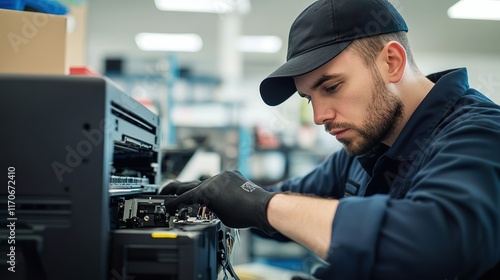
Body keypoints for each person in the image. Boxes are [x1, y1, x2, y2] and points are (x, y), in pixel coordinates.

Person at [164, 0, 500, 279]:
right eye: (310, 98)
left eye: (332, 87)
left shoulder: (481, 134)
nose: (319, 116)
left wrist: (262, 205)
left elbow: (435, 243)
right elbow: (292, 201)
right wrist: (226, 195)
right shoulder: (364, 148)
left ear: (391, 63)